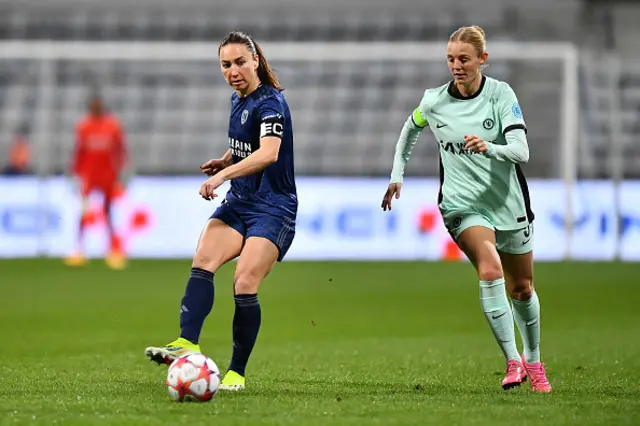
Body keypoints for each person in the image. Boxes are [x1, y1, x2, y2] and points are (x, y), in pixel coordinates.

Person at [381, 25, 551, 393]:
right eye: (450, 59)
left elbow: (521, 151)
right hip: (461, 204)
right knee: (490, 270)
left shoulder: (501, 95)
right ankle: (511, 362)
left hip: (508, 202)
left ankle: (534, 359)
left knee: (521, 288)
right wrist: (398, 174)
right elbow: (410, 130)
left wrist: (490, 147)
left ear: (482, 60)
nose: (456, 66)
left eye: (463, 59)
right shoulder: (433, 101)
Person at [145, 31, 297, 392]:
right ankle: (186, 343)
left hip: (273, 208)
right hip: (241, 202)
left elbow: (269, 153)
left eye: (240, 62)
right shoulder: (237, 99)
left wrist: (224, 176)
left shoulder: (271, 103)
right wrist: (227, 158)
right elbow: (249, 145)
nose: (233, 70)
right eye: (226, 65)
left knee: (244, 281)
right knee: (203, 260)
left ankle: (237, 372)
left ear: (256, 60)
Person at [64, 94, 129, 270]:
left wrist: (122, 173)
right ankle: (79, 250)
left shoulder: (112, 126)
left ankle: (113, 251)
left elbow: (121, 151)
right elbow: (78, 152)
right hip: (89, 177)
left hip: (108, 176)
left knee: (108, 213)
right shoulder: (84, 127)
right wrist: (75, 173)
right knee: (84, 212)